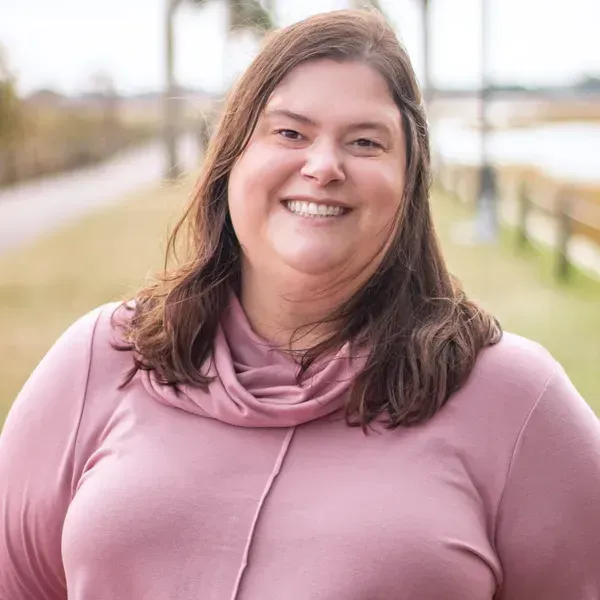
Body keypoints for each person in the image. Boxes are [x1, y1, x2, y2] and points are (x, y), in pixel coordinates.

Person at [1, 9, 599, 600]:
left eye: (365, 142)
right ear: (232, 157)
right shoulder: (99, 360)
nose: (323, 167)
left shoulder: (516, 402)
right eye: (290, 133)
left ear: (409, 182)